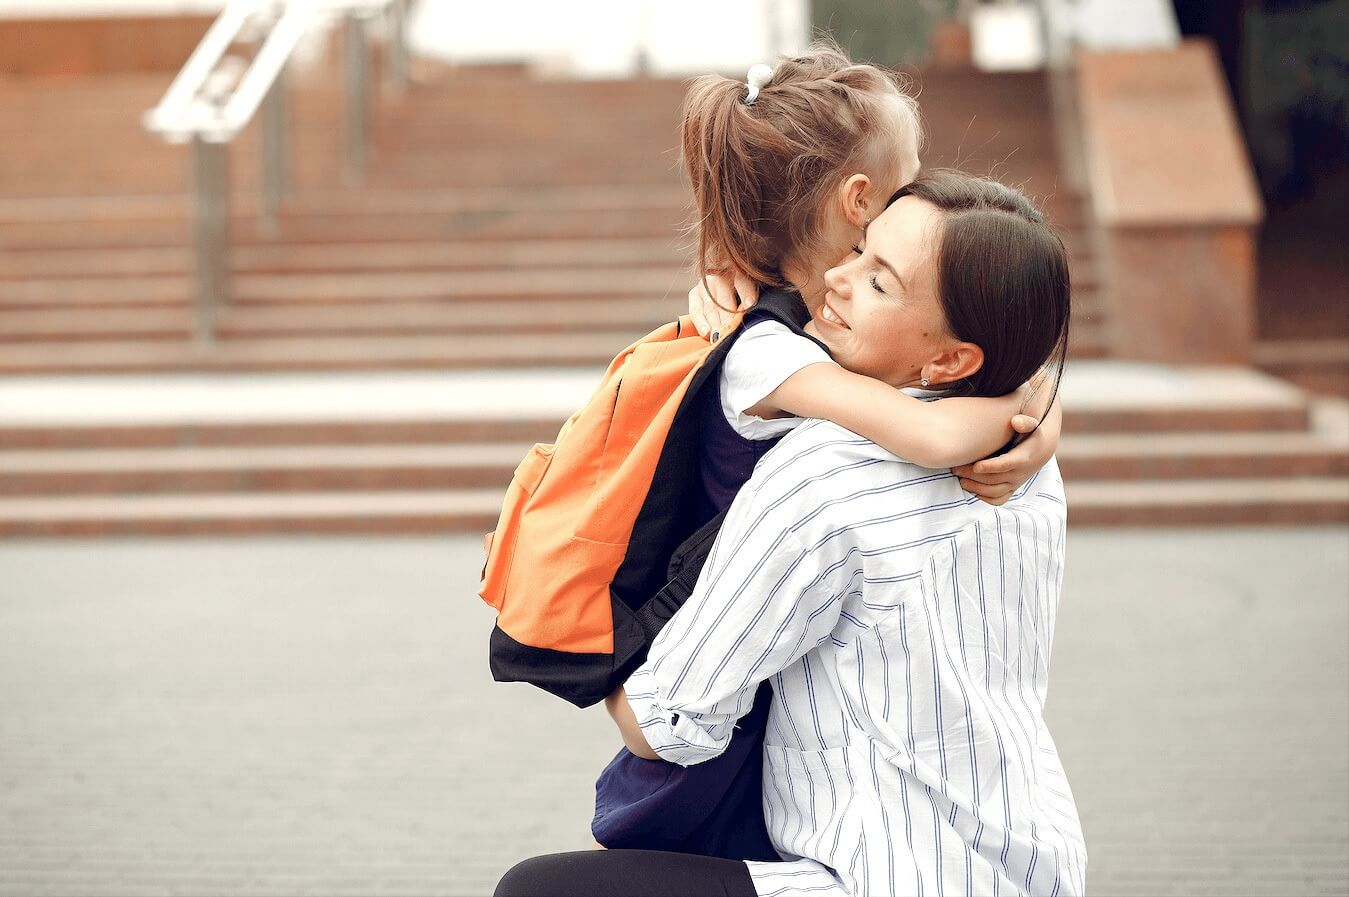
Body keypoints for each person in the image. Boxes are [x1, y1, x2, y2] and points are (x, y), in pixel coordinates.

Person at [497, 173, 1085, 896]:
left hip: (880, 878)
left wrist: (585, 649)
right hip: (1031, 862)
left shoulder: (825, 471)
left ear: (949, 361)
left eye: (878, 282)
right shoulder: (1021, 457)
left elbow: (667, 722)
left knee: (539, 891)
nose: (836, 277)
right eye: (860, 248)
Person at [587, 47, 1062, 862]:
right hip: (721, 651)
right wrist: (1026, 414)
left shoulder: (816, 351)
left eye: (882, 278)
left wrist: (1034, 404)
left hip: (760, 663)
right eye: (910, 175)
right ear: (859, 198)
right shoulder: (765, 347)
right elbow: (932, 431)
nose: (923, 184)